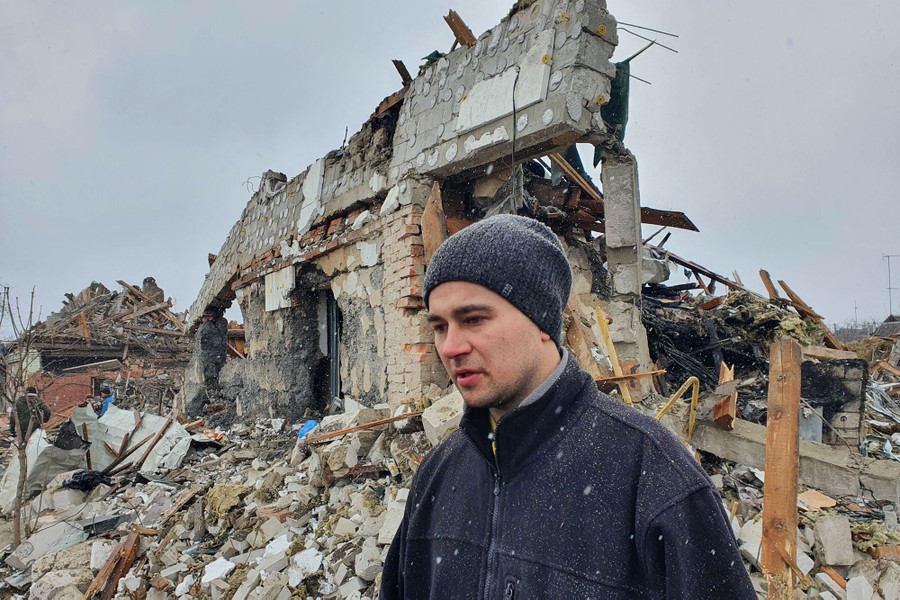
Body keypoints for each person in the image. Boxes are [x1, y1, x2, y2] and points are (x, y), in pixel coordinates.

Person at [381, 215, 755, 598]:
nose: (450, 347)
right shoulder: (439, 475)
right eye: (440, 326)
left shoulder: (652, 474)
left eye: (473, 319)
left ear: (541, 321)